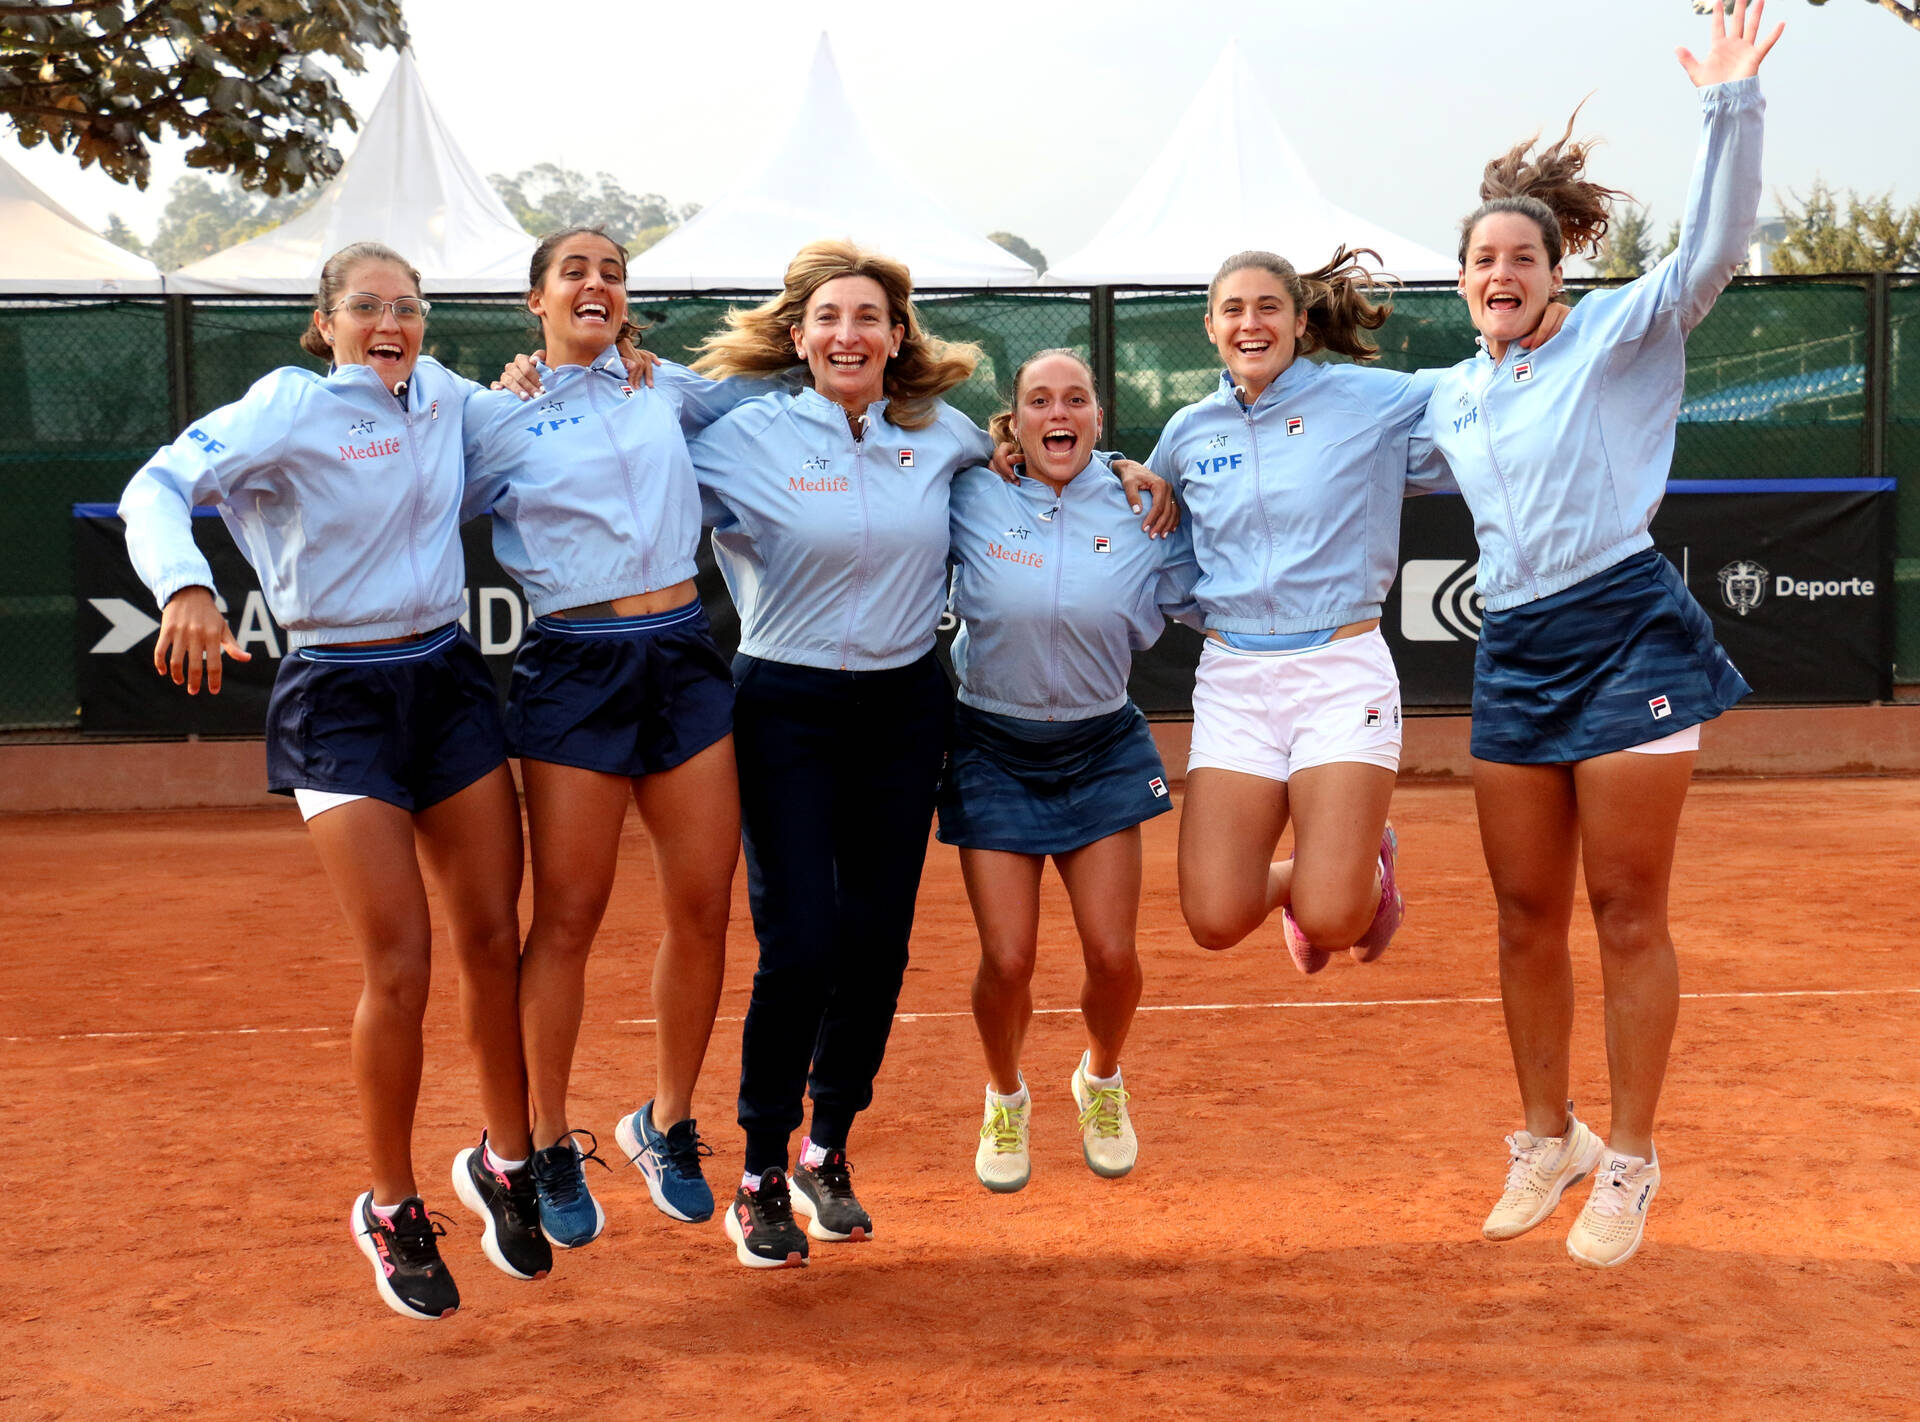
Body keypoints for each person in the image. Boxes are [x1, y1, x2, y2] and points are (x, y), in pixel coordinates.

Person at [686, 240, 1174, 1268]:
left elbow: (1040, 461)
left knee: (876, 947)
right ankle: (762, 1168)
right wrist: (561, 376)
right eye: (829, 319)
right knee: (800, 946)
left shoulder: (941, 436)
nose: (849, 334)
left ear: (896, 336)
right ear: (799, 337)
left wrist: (1127, 468)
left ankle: (827, 1149)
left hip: (905, 713)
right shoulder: (743, 433)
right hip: (785, 706)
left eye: (869, 317)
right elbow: (637, 434)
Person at [117, 243, 547, 1320]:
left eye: (407, 305)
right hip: (337, 697)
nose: (389, 321)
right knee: (400, 960)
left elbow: (536, 428)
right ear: (326, 324)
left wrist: (552, 374)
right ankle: (392, 1206)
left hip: (448, 680)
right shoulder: (289, 405)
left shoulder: (445, 397)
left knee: (493, 935)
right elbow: (156, 485)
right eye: (366, 305)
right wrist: (185, 586)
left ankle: (506, 1161)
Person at [1417, 0, 1778, 1268]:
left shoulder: (1622, 335)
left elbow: (1715, 248)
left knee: (1626, 906)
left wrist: (1730, 101)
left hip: (1627, 630)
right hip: (1515, 649)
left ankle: (1629, 1157)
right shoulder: (1451, 396)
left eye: (1521, 256)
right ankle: (1546, 1137)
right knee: (1524, 911)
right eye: (1482, 260)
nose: (1501, 274)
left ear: (1554, 267)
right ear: (1464, 279)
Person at [461, 228, 750, 1247]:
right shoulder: (495, 415)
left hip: (685, 655)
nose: (597, 284)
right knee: (569, 915)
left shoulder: (665, 391)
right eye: (575, 272)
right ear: (535, 300)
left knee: (704, 905)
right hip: (574, 667)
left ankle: (666, 1120)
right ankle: (545, 1137)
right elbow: (409, 496)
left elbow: (779, 404)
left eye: (613, 274)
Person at [943, 349, 1189, 1193]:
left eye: (1076, 400)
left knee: (1114, 955)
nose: (1059, 413)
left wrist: (1125, 469)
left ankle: (1101, 1077)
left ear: (1097, 417)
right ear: (1013, 420)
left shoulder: (1142, 507)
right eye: (1040, 400)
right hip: (990, 744)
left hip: (1101, 746)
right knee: (1008, 959)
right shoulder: (971, 492)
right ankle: (1005, 1095)